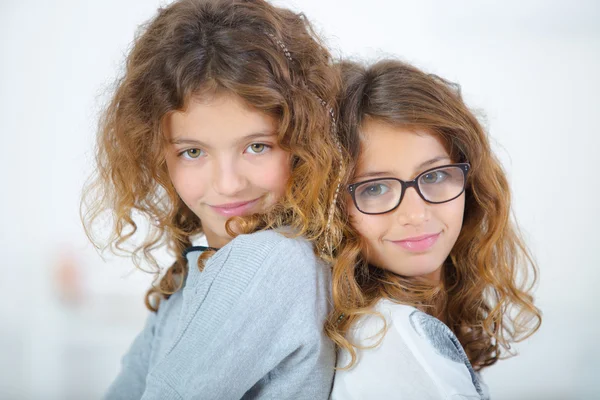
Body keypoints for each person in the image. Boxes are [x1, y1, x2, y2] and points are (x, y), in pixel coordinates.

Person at [81, 0, 344, 398]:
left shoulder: (270, 259)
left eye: (257, 146)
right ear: (157, 155)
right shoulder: (192, 275)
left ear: (303, 140)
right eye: (192, 152)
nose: (228, 184)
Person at [328, 59, 542, 399]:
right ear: (334, 206)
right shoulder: (395, 337)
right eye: (375, 188)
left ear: (470, 184)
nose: (415, 214)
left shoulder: (408, 323)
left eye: (435, 176)